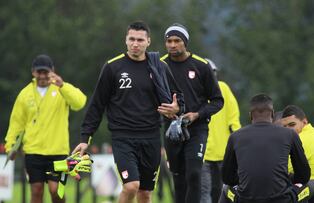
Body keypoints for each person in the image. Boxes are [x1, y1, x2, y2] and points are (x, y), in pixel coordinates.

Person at [72, 21, 184, 203]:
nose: (135, 43)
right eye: (131, 39)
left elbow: (178, 97)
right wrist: (85, 139)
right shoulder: (112, 67)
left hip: (151, 137)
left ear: (148, 41)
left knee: (145, 193)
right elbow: (97, 105)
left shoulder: (159, 67)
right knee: (131, 185)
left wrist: (177, 108)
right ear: (125, 40)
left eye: (140, 40)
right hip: (123, 137)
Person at [4, 54, 87, 203]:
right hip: (33, 151)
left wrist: (63, 86)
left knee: (56, 190)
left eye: (45, 72)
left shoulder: (62, 89)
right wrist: (10, 145)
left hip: (58, 151)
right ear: (33, 72)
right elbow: (16, 122)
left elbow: (80, 102)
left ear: (52, 71)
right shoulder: (25, 94)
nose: (42, 76)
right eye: (39, 72)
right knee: (36, 191)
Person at [161, 23, 224, 203]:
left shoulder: (201, 66)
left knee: (194, 173)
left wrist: (196, 114)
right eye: (169, 41)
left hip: (197, 129)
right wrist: (166, 111)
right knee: (178, 177)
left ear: (185, 42)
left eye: (177, 40)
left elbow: (217, 101)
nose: (172, 44)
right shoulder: (160, 66)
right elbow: (151, 98)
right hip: (171, 130)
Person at [220, 94, 314, 203]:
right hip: (283, 200)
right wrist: (287, 179)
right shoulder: (289, 134)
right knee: (313, 185)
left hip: (245, 200)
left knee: (226, 189)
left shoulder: (235, 136)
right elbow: (304, 176)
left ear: (250, 115)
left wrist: (245, 180)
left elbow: (227, 178)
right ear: (272, 114)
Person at [200, 58, 241, 203]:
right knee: (223, 190)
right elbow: (234, 120)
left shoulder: (221, 88)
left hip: (209, 151)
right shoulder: (222, 88)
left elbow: (233, 120)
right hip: (218, 151)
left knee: (208, 191)